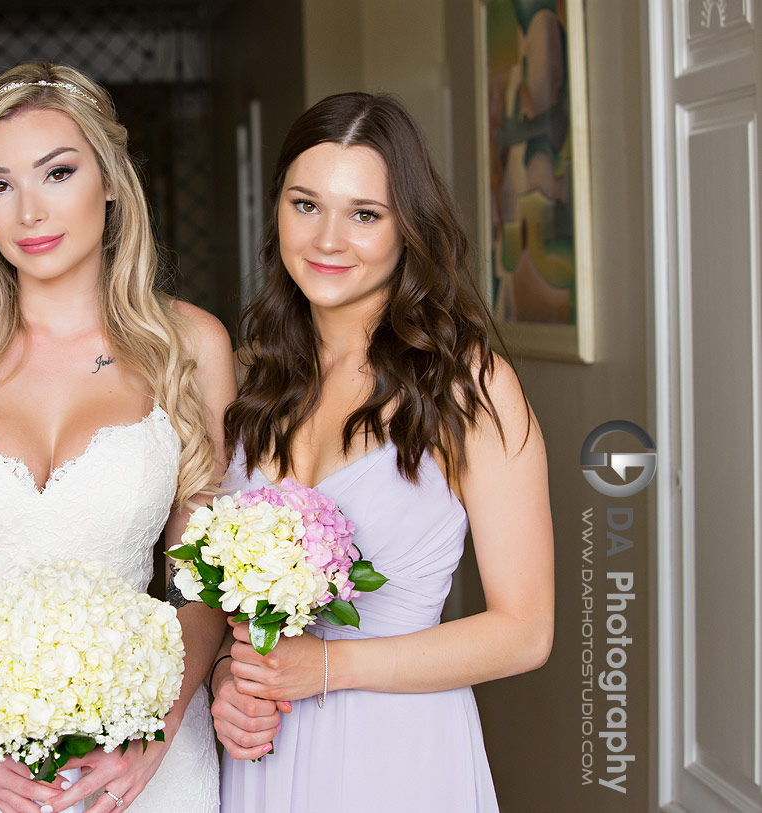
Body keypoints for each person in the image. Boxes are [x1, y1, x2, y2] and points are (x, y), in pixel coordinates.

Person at [0, 63, 234, 813]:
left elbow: (207, 581)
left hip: (139, 762)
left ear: (109, 179)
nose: (28, 211)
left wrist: (159, 731)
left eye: (58, 172)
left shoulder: (190, 344)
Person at [209, 93, 554, 811]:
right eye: (306, 205)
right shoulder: (247, 381)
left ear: (409, 230)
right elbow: (219, 608)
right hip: (269, 746)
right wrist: (224, 681)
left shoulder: (468, 384)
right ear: (276, 211)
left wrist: (329, 665)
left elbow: (525, 632)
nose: (327, 239)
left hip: (398, 748)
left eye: (364, 214)